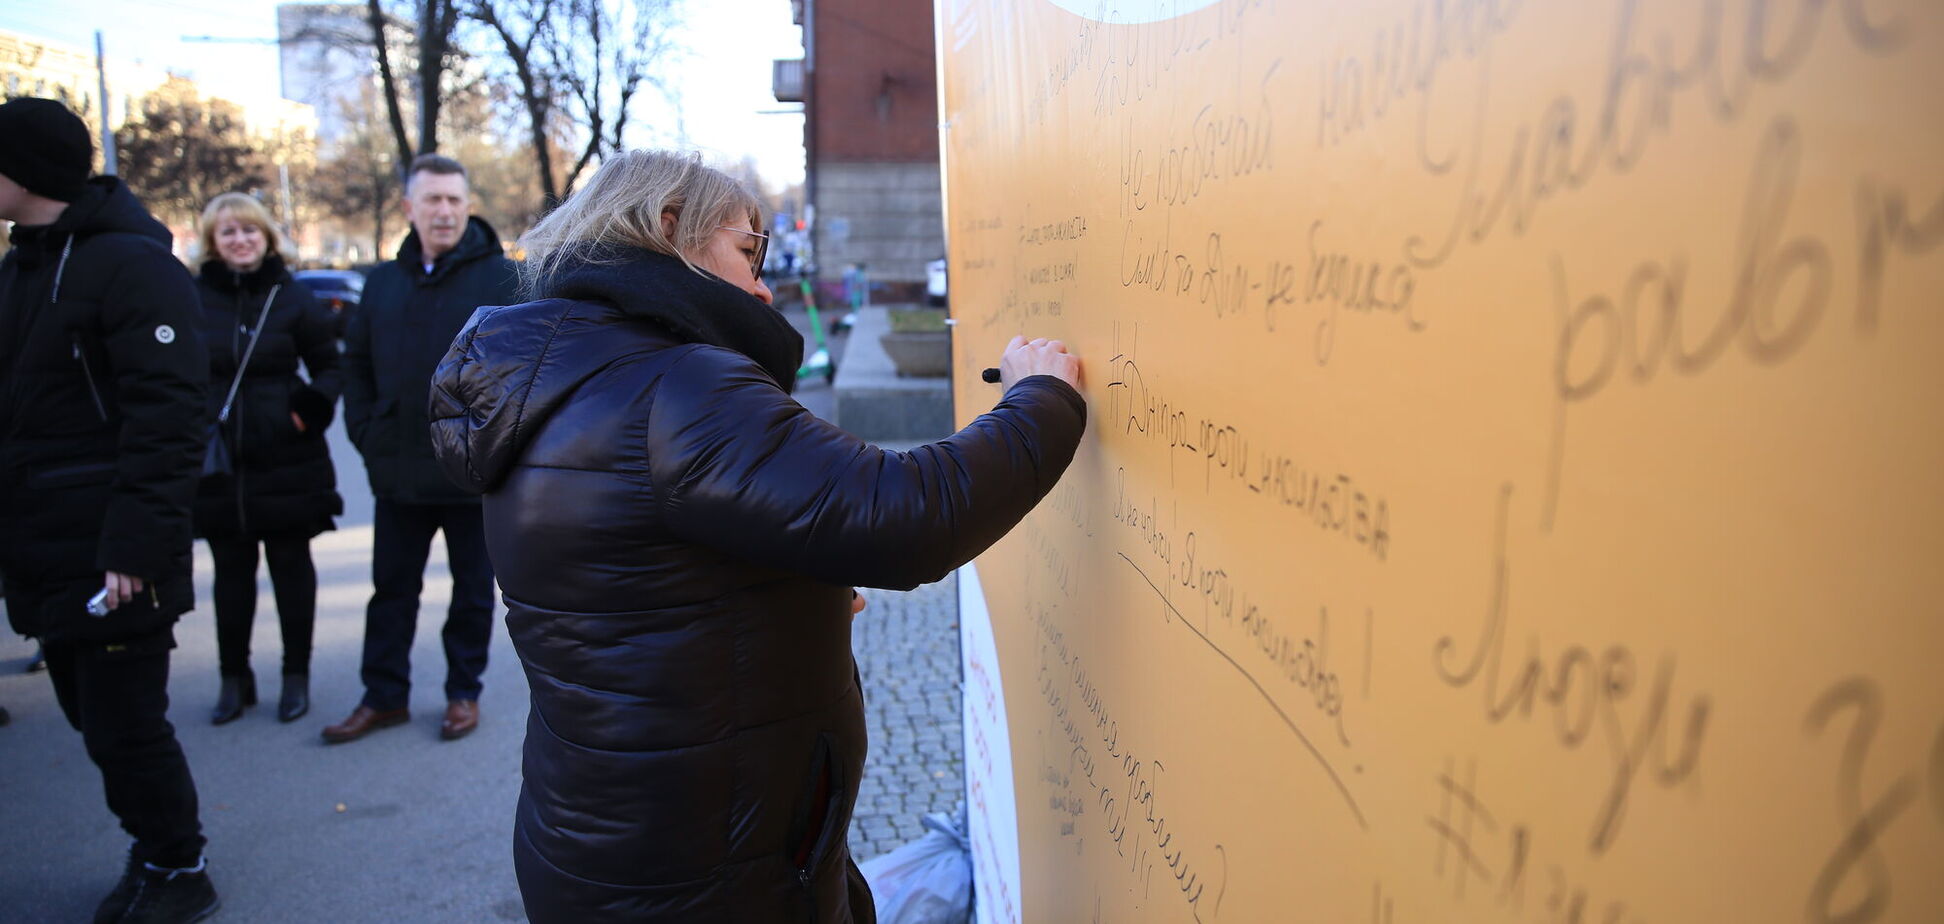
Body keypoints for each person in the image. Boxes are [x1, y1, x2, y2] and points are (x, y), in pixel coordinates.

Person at [428, 151, 1086, 922]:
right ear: (671, 228)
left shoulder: (559, 378)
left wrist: (784, 602)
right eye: (749, 250)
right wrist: (1039, 398)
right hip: (708, 868)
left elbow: (634, 581)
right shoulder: (677, 383)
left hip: (604, 837)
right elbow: (905, 514)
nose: (765, 285)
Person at [0, 97, 219, 923]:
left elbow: (168, 419)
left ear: (26, 171)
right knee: (89, 720)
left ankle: (178, 865)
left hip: (113, 554)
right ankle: (154, 850)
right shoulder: (25, 266)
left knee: (126, 726)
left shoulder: (131, 265)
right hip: (47, 543)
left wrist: (133, 547)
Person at [325, 153, 519, 744]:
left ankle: (464, 693)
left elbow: (526, 375)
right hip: (399, 472)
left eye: (454, 200)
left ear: (468, 206)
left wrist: (495, 448)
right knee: (391, 592)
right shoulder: (383, 282)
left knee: (470, 593)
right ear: (409, 207)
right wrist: (368, 433)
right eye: (432, 200)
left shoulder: (502, 281)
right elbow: (355, 364)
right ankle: (383, 696)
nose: (444, 211)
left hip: (470, 474)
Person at [192, 192, 343, 725]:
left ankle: (294, 676)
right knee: (230, 575)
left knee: (290, 571)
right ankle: (234, 678)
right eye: (229, 232)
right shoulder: (191, 297)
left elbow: (328, 365)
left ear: (266, 238)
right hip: (220, 460)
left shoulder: (293, 297)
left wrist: (306, 409)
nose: (240, 240)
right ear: (213, 241)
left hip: (286, 455)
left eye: (250, 230)